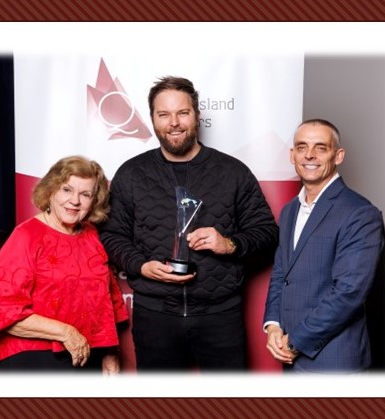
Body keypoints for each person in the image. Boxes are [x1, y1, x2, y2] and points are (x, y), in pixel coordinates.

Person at [99, 76, 278, 371]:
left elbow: (267, 233)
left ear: (197, 115)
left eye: (182, 112)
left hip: (221, 316)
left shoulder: (233, 172)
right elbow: (111, 235)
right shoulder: (132, 174)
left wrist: (229, 244)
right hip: (155, 316)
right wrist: (139, 265)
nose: (174, 123)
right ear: (153, 119)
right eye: (164, 114)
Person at [0, 156, 129, 373]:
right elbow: (2, 313)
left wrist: (109, 353)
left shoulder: (91, 235)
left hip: (87, 357)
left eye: (85, 194)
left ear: (93, 201)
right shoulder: (25, 237)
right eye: (67, 190)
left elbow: (105, 304)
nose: (75, 201)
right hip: (33, 359)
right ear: (51, 191)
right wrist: (66, 333)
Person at [263, 119, 385, 373]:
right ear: (292, 154)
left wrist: (295, 341)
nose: (309, 155)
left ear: (338, 155)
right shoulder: (289, 211)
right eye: (301, 147)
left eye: (321, 148)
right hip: (290, 355)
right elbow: (281, 273)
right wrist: (273, 325)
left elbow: (348, 293)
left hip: (333, 359)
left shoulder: (360, 213)